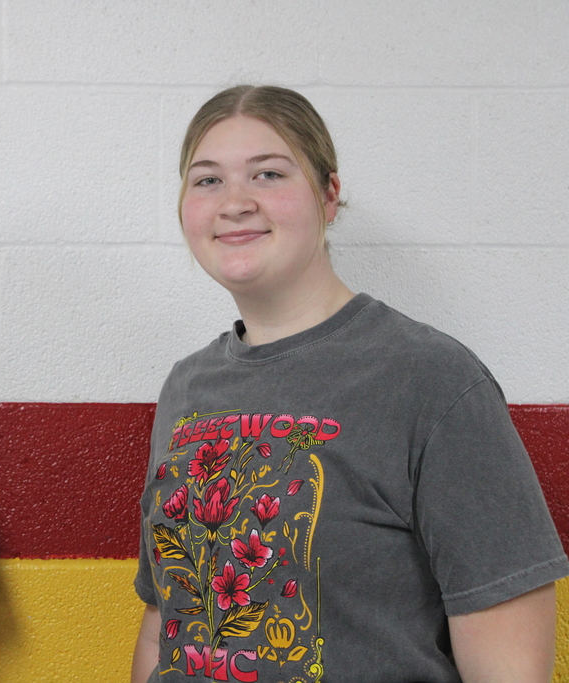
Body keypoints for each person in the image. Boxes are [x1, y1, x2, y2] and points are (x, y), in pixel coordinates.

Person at [131, 86, 569, 683]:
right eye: (207, 180)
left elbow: (509, 671)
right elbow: (164, 622)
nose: (234, 203)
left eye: (268, 174)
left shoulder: (432, 380)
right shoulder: (186, 389)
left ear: (329, 194)